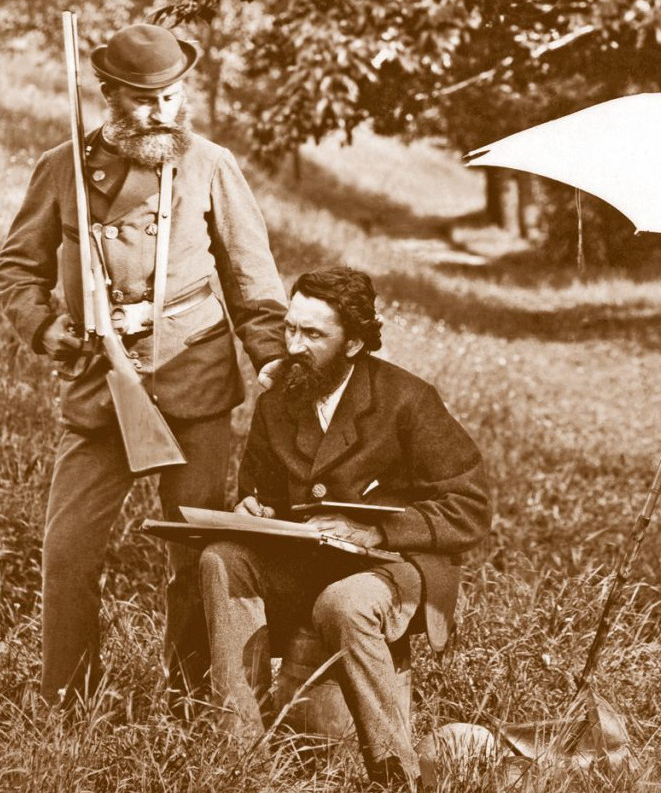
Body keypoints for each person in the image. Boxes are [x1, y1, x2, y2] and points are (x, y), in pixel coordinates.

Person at [0, 23, 288, 709]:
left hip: (195, 378)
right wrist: (48, 328)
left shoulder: (211, 165)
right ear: (110, 95)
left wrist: (273, 358)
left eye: (174, 97)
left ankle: (190, 697)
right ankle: (69, 700)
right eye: (148, 100)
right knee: (67, 552)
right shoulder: (61, 166)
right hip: (102, 384)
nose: (165, 113)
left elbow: (253, 280)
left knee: (196, 553)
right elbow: (15, 269)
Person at [199, 267, 491, 789]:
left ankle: (395, 773)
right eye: (291, 329)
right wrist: (253, 510)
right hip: (305, 564)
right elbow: (260, 490)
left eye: (314, 335)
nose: (294, 345)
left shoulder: (407, 399)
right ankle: (242, 760)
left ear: (354, 342)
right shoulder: (277, 402)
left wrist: (377, 532)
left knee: (345, 603)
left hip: (392, 567)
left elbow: (469, 507)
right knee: (221, 557)